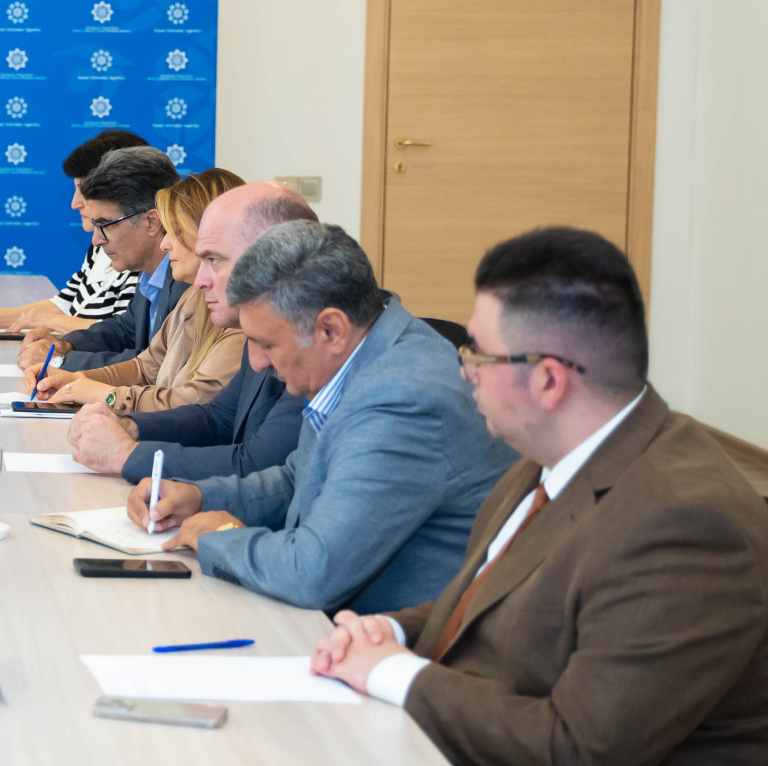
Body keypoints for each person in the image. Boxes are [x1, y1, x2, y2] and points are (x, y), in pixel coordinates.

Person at [312, 227, 768, 766]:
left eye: (477, 354)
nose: (463, 371)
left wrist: (394, 675)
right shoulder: (552, 457)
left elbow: (576, 755)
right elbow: (496, 594)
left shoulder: (686, 523)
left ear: (548, 380)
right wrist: (392, 631)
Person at [128, 221, 513, 612]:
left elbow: (313, 572)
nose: (257, 363)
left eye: (266, 344)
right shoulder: (368, 350)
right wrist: (200, 496)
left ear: (331, 329)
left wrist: (221, 535)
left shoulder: (402, 400)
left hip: (390, 632)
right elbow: (299, 477)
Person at [72, 182, 315, 482]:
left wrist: (127, 454)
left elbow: (256, 466)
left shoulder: (310, 342)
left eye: (213, 260)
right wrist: (130, 426)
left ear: (271, 261)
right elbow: (218, 418)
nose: (200, 281)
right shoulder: (261, 326)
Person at [29, 167, 246, 412]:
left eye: (176, 231)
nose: (165, 244)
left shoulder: (239, 321)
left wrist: (105, 395)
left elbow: (193, 404)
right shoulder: (192, 298)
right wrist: (75, 381)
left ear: (213, 237)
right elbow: (145, 367)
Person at [0, 128, 147, 334]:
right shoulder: (99, 246)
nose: (74, 203)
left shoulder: (140, 256)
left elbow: (125, 334)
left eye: (84, 190)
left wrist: (54, 322)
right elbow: (65, 303)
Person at [17, 146, 183, 374]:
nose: (96, 240)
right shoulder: (150, 273)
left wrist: (58, 363)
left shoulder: (188, 281)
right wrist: (66, 345)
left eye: (105, 225)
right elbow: (125, 330)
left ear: (151, 222)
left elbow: (158, 367)